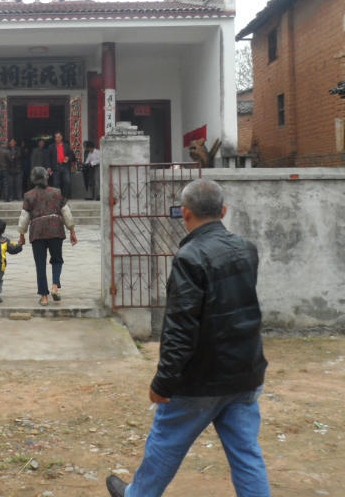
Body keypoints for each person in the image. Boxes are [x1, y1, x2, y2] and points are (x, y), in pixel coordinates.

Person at [106, 179, 270, 497]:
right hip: (245, 371)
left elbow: (180, 328)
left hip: (202, 379)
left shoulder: (190, 257)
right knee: (247, 454)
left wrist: (163, 383)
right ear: (222, 211)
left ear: (185, 214)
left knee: (165, 443)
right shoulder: (246, 249)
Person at [17, 166, 77, 306]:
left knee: (40, 264)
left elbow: (24, 217)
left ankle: (44, 297)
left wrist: (21, 235)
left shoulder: (28, 195)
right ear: (46, 177)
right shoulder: (56, 192)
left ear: (33, 180)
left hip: (37, 232)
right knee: (57, 260)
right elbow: (66, 212)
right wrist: (72, 230)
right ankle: (55, 287)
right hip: (56, 229)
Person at [48, 131, 76, 199]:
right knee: (56, 183)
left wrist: (68, 158)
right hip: (56, 166)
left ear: (61, 137)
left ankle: (65, 197)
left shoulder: (67, 146)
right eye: (56, 137)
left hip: (65, 166)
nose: (57, 138)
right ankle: (57, 197)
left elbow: (72, 156)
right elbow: (48, 158)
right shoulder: (51, 147)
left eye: (58, 137)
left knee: (67, 181)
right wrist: (48, 167)